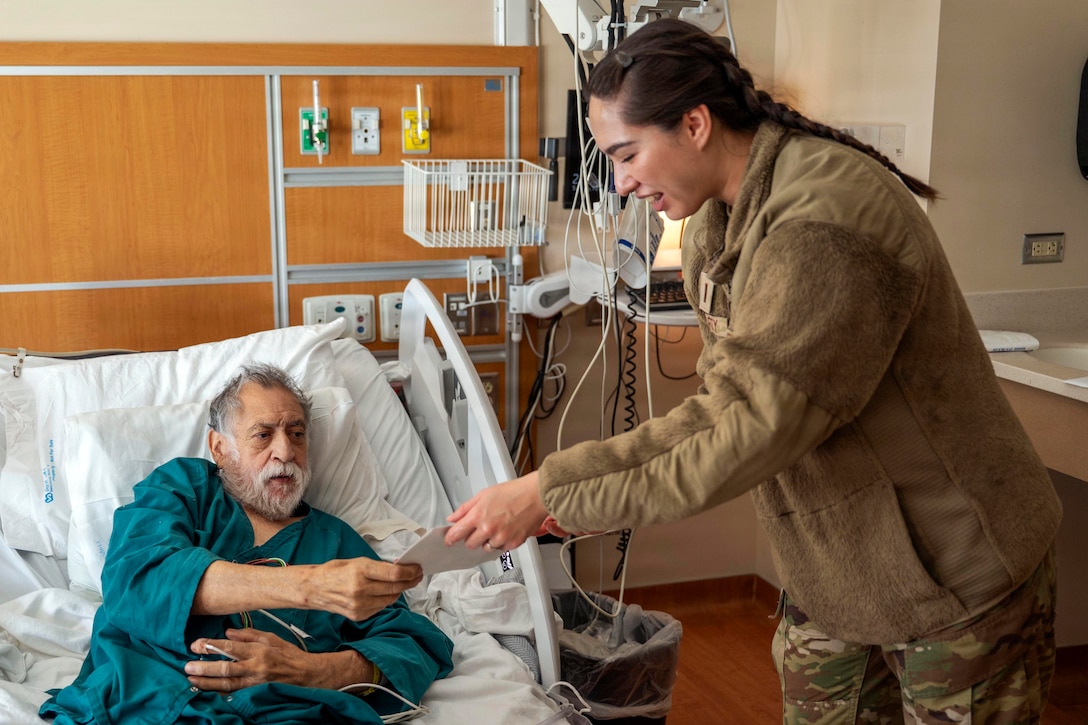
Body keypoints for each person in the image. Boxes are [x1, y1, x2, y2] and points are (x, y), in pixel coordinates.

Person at [445, 18, 1063, 723]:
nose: (621, 182)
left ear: (695, 124)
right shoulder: (715, 225)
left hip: (954, 570)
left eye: (627, 154)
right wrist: (570, 499)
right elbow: (723, 401)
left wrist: (553, 488)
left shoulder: (825, 225)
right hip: (840, 568)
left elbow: (743, 427)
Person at [41, 363, 453, 725]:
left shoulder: (335, 541)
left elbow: (413, 643)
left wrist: (314, 670)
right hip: (147, 701)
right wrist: (310, 586)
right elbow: (136, 578)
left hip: (283, 714)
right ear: (220, 448)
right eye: (263, 435)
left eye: (297, 434)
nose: (285, 451)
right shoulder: (184, 490)